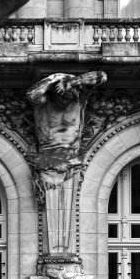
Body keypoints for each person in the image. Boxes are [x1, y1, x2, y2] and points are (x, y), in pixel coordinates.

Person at [27, 71, 107, 255]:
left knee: (68, 219)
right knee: (53, 222)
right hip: (48, 158)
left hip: (72, 160)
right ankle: (56, 257)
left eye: (69, 96)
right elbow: (32, 95)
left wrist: (74, 81)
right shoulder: (43, 104)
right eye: (62, 97)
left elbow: (101, 77)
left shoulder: (79, 98)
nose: (66, 101)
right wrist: (54, 78)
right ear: (53, 93)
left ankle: (62, 256)